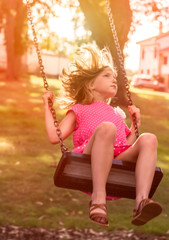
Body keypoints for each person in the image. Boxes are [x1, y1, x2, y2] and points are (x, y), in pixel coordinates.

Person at [43, 45, 162, 227]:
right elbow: (54, 136)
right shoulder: (79, 109)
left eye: (114, 77)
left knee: (149, 138)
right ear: (91, 84)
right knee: (107, 128)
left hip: (116, 156)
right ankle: (99, 200)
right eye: (107, 75)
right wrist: (47, 105)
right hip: (89, 155)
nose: (113, 80)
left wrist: (135, 124)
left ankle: (141, 202)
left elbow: (126, 144)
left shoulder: (115, 114)